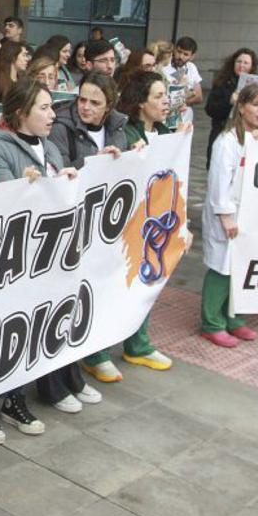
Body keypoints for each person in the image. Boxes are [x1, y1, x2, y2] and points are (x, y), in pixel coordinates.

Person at [0, 80, 83, 439]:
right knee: (1, 331)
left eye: (52, 107)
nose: (52, 115)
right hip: (11, 260)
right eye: (43, 108)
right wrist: (25, 186)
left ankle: (14, 398)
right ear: (21, 112)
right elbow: (3, 201)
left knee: (26, 332)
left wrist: (68, 181)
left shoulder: (52, 149)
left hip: (44, 258)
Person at [83, 71, 182, 372]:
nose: (165, 102)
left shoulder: (167, 134)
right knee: (113, 284)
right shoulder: (127, 134)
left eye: (166, 95)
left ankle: (138, 343)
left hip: (155, 221)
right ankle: (96, 353)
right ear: (140, 103)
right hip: (126, 223)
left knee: (146, 279)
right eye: (157, 96)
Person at [51, 72, 130, 383]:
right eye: (82, 99)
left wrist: (119, 157)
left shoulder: (118, 127)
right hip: (77, 221)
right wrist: (94, 166)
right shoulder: (62, 127)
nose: (85, 107)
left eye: (94, 103)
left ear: (108, 106)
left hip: (105, 221)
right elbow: (61, 172)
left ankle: (95, 350)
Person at [201, 84, 258, 346]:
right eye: (256, 104)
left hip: (250, 214)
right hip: (227, 214)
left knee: (241, 267)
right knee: (222, 266)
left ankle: (233, 317)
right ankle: (211, 322)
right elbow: (218, 182)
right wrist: (226, 216)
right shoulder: (227, 141)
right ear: (241, 107)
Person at [204, 48, 258, 167]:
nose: (241, 65)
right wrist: (229, 101)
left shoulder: (256, 86)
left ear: (252, 66)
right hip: (222, 131)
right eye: (238, 61)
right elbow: (210, 109)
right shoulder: (221, 82)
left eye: (246, 63)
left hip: (245, 135)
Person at [162, 37, 203, 127]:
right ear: (174, 50)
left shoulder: (191, 68)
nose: (181, 57)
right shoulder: (164, 65)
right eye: (179, 52)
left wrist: (179, 103)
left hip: (185, 118)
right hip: (165, 117)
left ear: (192, 56)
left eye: (186, 54)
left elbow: (199, 96)